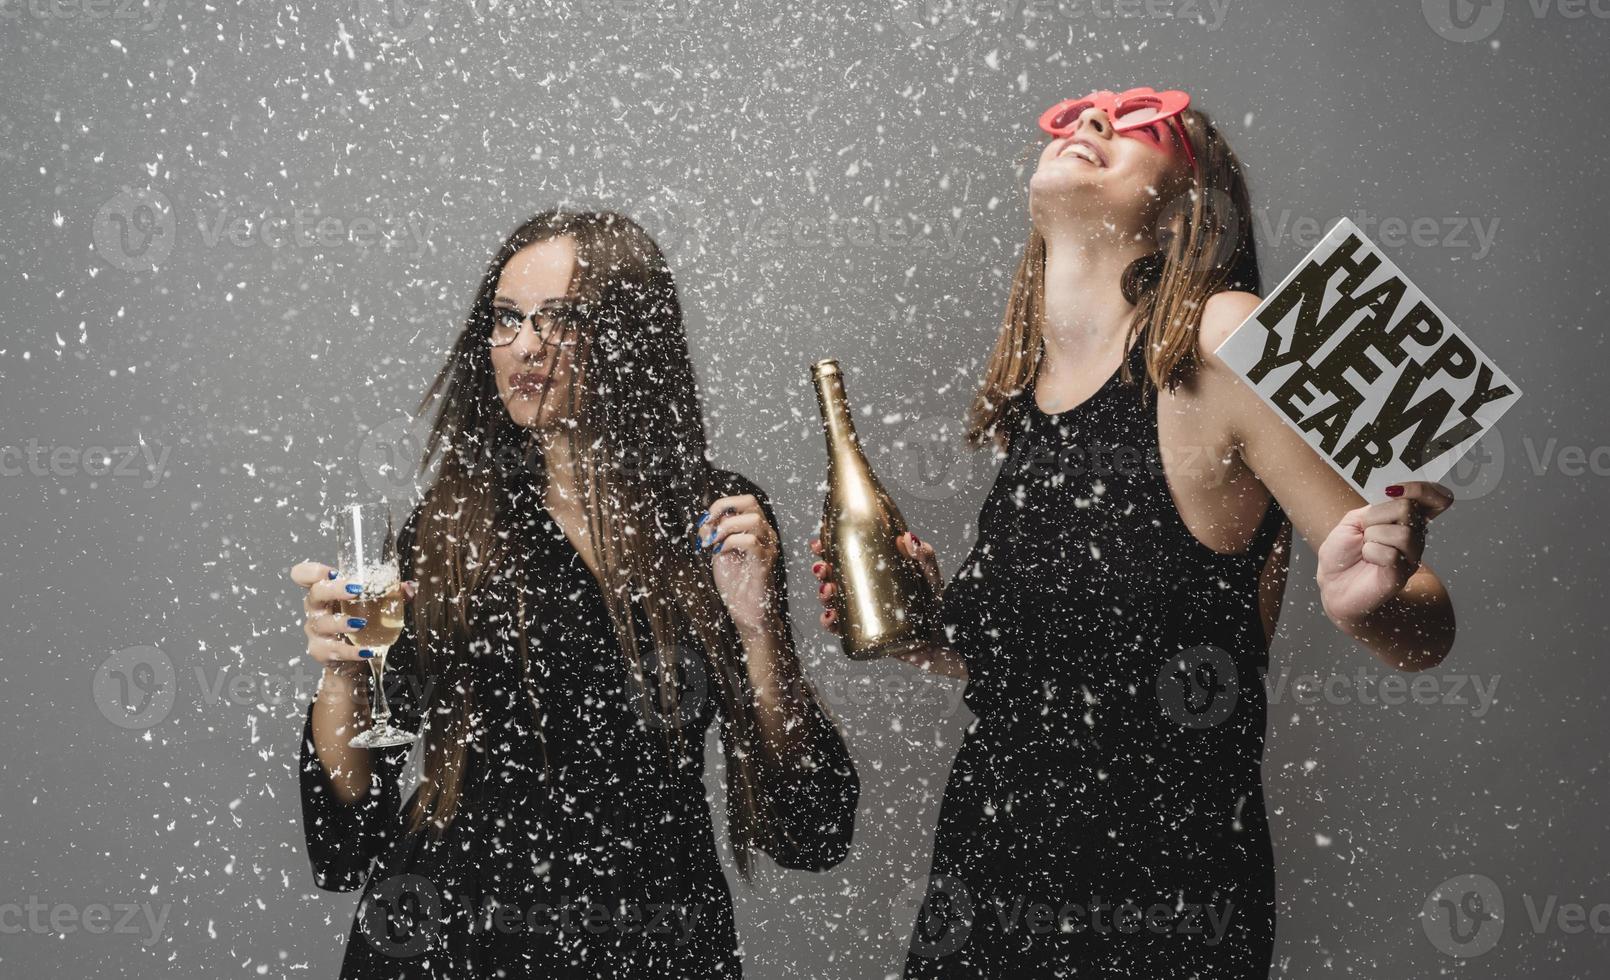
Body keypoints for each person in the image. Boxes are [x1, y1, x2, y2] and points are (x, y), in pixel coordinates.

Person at [810, 87, 1456, 977]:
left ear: (1196, 205)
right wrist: (930, 631)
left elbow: (1426, 628)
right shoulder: (1031, 401)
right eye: (1079, 110)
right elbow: (1076, 674)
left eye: (1149, 115)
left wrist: (1370, 603)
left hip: (1158, 907)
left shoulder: (1225, 337)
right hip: (986, 881)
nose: (1096, 119)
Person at [291, 210, 858, 978]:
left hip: (657, 940)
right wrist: (342, 673)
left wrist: (759, 631)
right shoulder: (451, 526)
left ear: (630, 336)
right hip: (460, 940)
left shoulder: (716, 518)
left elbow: (810, 828)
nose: (526, 345)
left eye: (559, 319)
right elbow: (349, 829)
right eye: (507, 319)